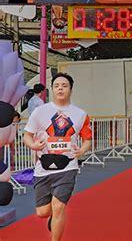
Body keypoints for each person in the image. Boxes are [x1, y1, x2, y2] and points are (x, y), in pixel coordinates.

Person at [23, 73, 92, 241]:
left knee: (59, 205)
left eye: (64, 85)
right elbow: (27, 135)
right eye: (56, 85)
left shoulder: (80, 114)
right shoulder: (40, 112)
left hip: (68, 167)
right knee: (42, 212)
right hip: (43, 167)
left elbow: (87, 139)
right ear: (52, 89)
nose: (60, 88)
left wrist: (81, 151)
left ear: (71, 89)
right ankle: (51, 217)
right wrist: (33, 145)